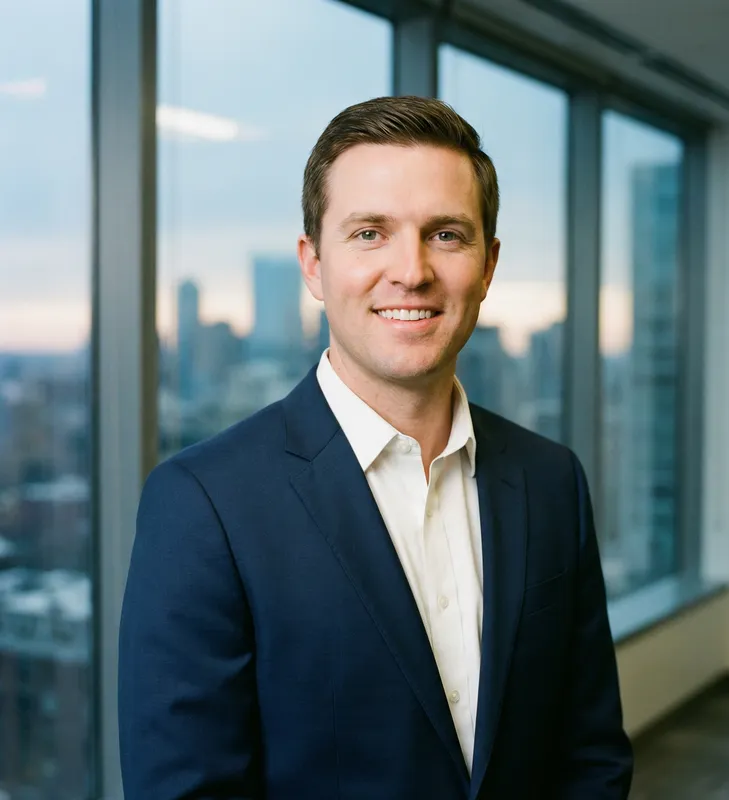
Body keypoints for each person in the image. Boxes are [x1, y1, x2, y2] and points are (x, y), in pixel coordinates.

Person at [118, 95, 633, 799]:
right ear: (313, 265)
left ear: (487, 267)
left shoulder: (550, 481)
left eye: (447, 234)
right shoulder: (205, 505)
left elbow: (591, 753)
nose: (411, 270)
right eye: (370, 233)